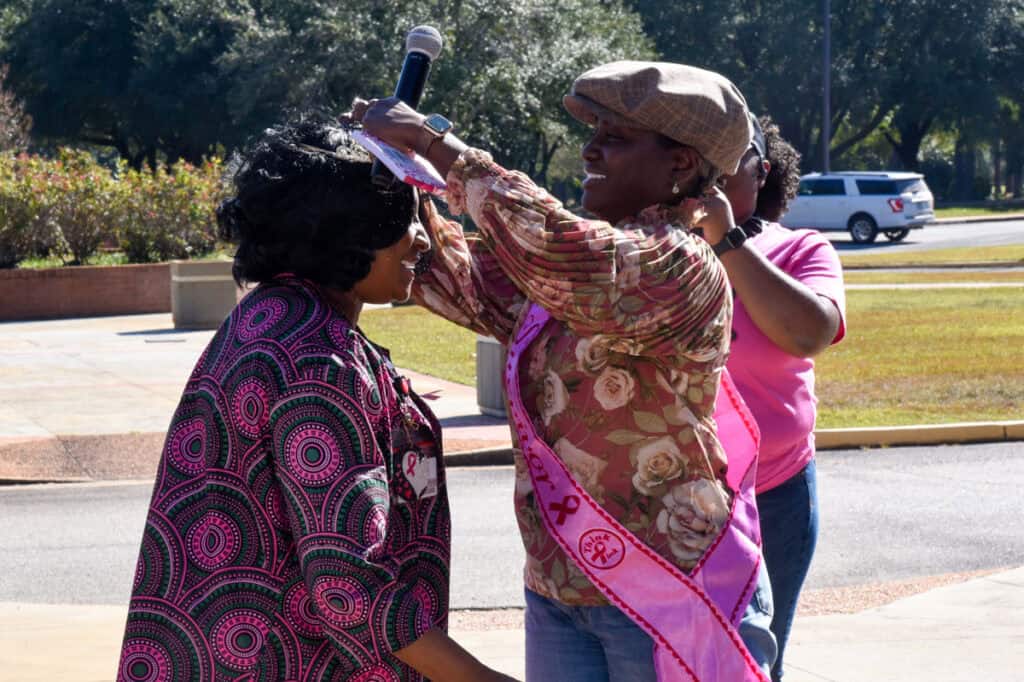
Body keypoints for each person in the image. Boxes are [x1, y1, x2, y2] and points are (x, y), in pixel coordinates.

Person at [355, 61, 777, 681]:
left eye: (615, 136)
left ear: (681, 165)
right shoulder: (567, 270)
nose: (590, 149)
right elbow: (452, 277)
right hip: (559, 587)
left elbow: (560, 250)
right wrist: (393, 170)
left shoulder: (677, 263)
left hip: (666, 590)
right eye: (595, 131)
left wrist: (433, 144)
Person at [116, 117, 515, 682]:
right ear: (348, 236)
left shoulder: (264, 318)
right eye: (403, 221)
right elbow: (348, 583)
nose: (423, 238)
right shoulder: (318, 362)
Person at [718, 114, 847, 681]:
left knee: (755, 661)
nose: (714, 167)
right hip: (671, 494)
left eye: (732, 156)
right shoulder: (651, 246)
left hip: (774, 492)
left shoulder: (801, 249)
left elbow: (808, 331)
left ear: (761, 171)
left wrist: (725, 242)